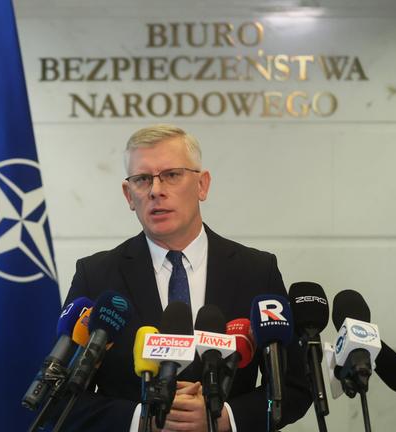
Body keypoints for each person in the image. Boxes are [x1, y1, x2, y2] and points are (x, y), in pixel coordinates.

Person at [61, 125, 311, 431]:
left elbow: (295, 387)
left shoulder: (256, 270)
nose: (156, 190)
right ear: (129, 195)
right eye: (142, 179)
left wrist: (225, 418)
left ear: (202, 185)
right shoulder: (97, 275)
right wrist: (141, 420)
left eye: (171, 175)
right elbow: (58, 395)